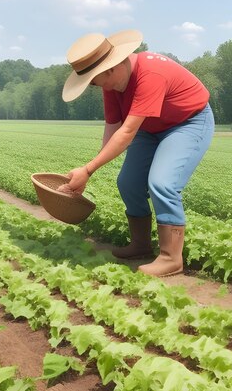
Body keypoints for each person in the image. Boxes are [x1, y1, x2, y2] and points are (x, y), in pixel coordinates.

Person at [58, 29, 214, 277]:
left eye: (97, 81)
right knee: (128, 183)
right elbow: (113, 127)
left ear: (112, 67)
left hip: (187, 123)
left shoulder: (150, 73)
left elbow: (127, 132)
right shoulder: (111, 85)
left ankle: (171, 258)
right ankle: (141, 244)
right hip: (149, 129)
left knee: (162, 183)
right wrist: (91, 168)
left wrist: (87, 170)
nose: (100, 88)